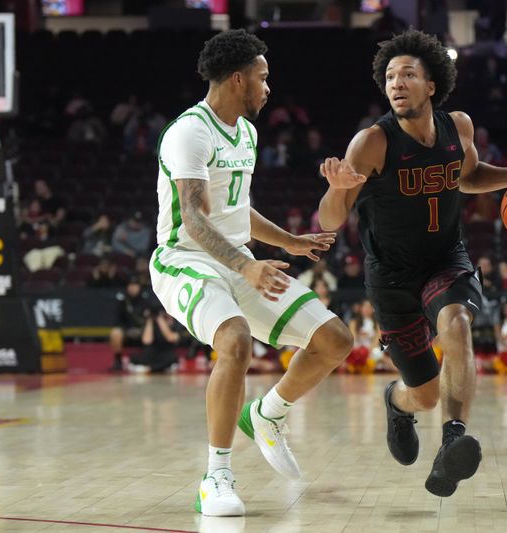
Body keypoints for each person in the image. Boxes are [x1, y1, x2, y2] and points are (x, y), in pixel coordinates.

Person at [316, 29, 507, 497]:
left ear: (431, 85)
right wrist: (336, 186)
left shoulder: (460, 127)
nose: (396, 83)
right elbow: (330, 220)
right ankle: (397, 401)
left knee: (458, 324)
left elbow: (467, 178)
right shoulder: (370, 143)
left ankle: (454, 438)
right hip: (391, 277)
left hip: (445, 258)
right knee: (424, 395)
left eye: (408, 74)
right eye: (390, 76)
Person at [149, 30, 353, 517]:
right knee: (236, 341)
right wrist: (246, 264)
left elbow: (237, 210)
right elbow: (195, 218)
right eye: (263, 78)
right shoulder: (189, 132)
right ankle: (216, 476)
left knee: (335, 341)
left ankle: (267, 414)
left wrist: (290, 241)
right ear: (238, 78)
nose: (268, 87)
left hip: (237, 257)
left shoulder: (246, 131)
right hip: (183, 258)